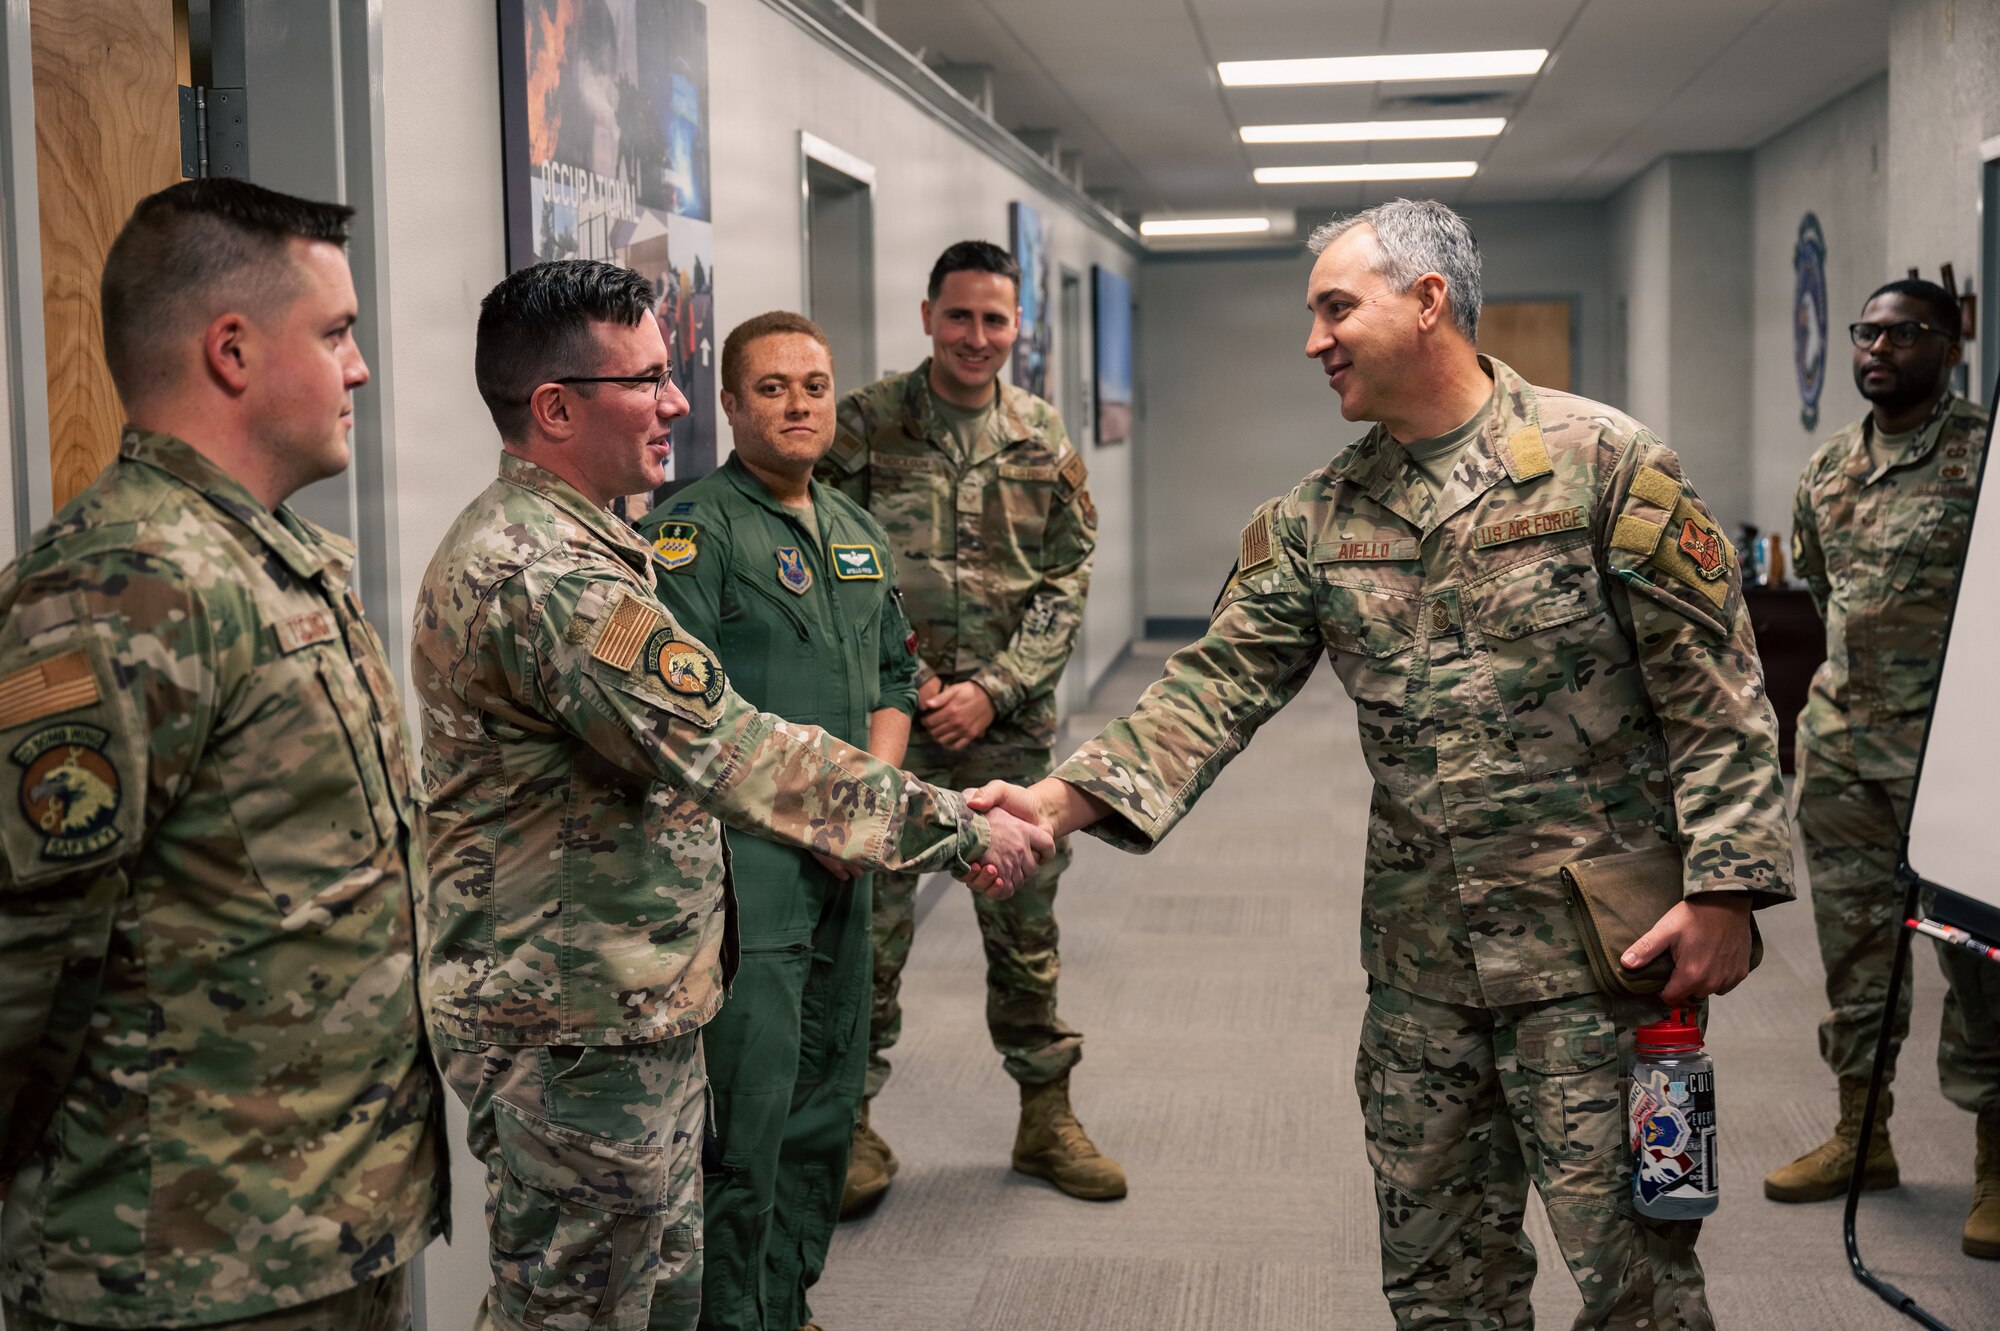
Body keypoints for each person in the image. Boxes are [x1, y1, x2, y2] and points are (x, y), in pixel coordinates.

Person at [966, 199, 1794, 1330]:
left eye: (1333, 307)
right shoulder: (1319, 517)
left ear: (1426, 301)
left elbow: (1717, 691)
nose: (1313, 340)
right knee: (1438, 1276)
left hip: (1607, 964)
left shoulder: (1601, 465)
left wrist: (1727, 887)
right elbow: (1213, 684)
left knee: (1639, 1276)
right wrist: (1056, 802)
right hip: (1423, 969)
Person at [413, 261, 1051, 1331]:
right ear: (556, 408)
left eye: (672, 374)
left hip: (628, 998)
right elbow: (733, 747)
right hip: (579, 1023)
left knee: (657, 1287)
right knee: (575, 1306)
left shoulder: (587, 545)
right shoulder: (551, 576)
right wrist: (955, 823)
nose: (674, 402)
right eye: (648, 381)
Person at [0, 180, 446, 1329]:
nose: (358, 368)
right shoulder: (116, 588)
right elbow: (24, 957)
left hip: (324, 1227)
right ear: (233, 350)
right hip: (181, 1263)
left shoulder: (273, 559)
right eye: (337, 334)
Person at [819, 239, 1119, 1211]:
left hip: (1009, 732)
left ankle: (1045, 1117)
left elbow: (1067, 580)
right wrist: (911, 681)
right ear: (926, 317)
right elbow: (833, 570)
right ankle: (850, 1124)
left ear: (1016, 326)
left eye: (995, 319)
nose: (976, 337)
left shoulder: (1040, 436)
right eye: (959, 317)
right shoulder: (861, 427)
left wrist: (993, 687)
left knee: (1022, 932)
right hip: (888, 728)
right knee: (869, 931)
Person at [638, 310, 913, 1331]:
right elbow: (692, 719)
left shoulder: (855, 528)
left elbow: (895, 679)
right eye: (772, 386)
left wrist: (864, 812)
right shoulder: (690, 532)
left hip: (849, 864)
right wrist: (826, 823)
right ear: (729, 402)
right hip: (748, 880)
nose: (799, 404)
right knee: (743, 1126)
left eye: (814, 383)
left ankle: (787, 1301)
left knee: (823, 1111)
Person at [1770, 279, 2000, 1255]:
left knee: (1979, 970)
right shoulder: (1828, 468)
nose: (1874, 347)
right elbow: (1825, 592)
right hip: (1842, 756)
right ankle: (1859, 1138)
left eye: (1900, 332)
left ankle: (1995, 1164)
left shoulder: (1983, 456)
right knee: (1856, 964)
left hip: (1956, 762)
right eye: (1864, 332)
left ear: (1947, 345)